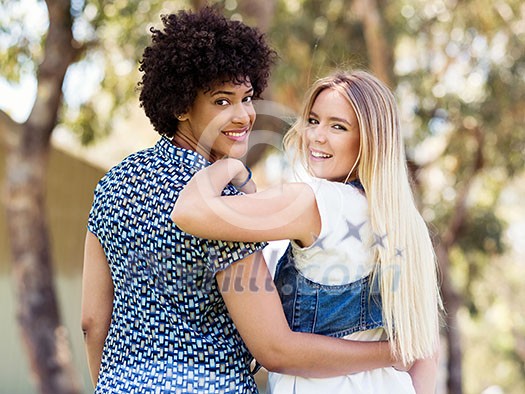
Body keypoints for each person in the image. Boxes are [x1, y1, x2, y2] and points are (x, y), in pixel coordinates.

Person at [81, 8, 406, 394]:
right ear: (181, 106)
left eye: (248, 98)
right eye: (222, 102)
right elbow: (273, 346)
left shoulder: (114, 184)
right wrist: (392, 354)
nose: (244, 115)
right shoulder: (224, 207)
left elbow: (90, 321)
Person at [172, 70, 443, 393]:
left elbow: (188, 211)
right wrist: (391, 355)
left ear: (369, 139)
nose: (316, 136)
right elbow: (425, 349)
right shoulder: (405, 224)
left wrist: (228, 166)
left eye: (338, 126)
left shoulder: (313, 201)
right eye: (313, 121)